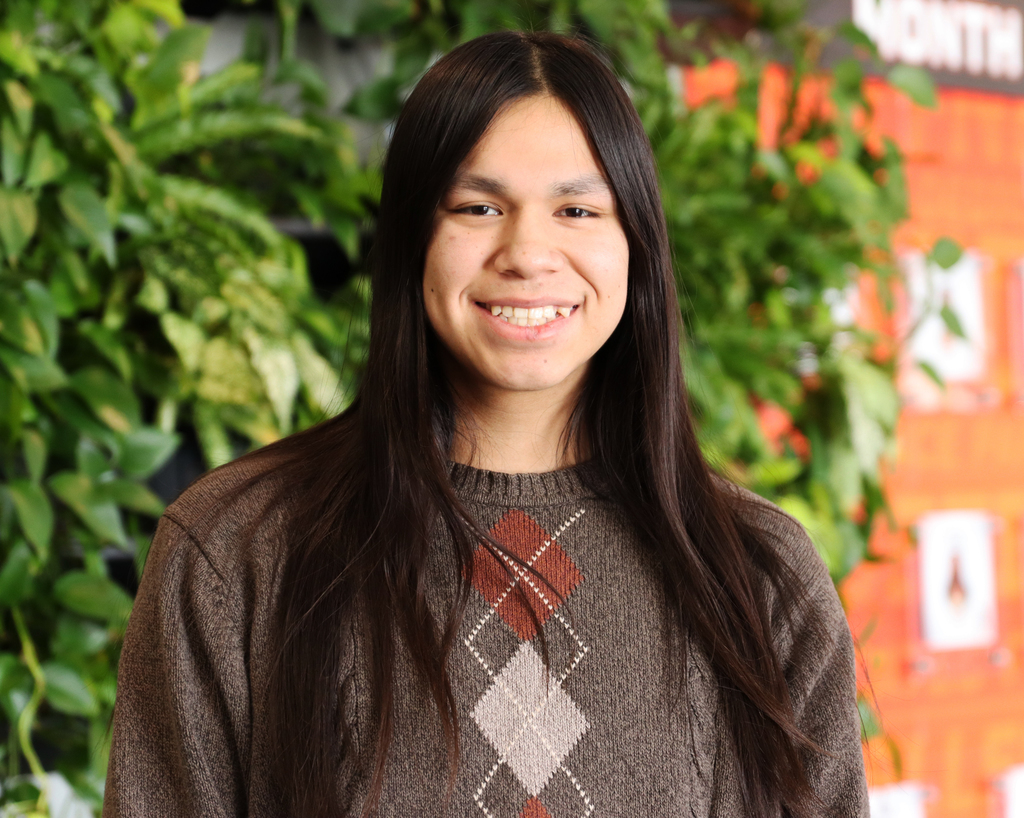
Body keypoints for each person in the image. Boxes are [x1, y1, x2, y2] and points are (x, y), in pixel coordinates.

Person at [103, 30, 869, 818]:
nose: (528, 251)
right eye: (478, 206)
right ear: (412, 241)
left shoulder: (758, 573)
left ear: (634, 243)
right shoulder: (238, 548)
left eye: (577, 208)